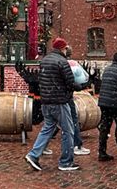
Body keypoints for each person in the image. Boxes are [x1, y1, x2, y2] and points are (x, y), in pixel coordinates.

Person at [24, 37, 82, 172]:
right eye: (66, 48)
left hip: (46, 101)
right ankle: (66, 162)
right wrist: (80, 86)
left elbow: (42, 79)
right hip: (59, 101)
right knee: (68, 131)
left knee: (47, 128)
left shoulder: (45, 60)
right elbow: (70, 82)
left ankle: (33, 155)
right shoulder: (62, 62)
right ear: (63, 48)